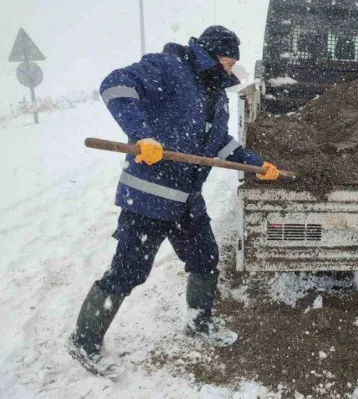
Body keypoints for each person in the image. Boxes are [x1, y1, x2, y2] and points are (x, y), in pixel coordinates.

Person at [66, 25, 280, 376]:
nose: (231, 69)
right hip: (147, 198)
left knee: (206, 260)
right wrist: (142, 134)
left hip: (187, 201)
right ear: (211, 54)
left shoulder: (215, 94)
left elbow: (219, 144)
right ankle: (84, 339)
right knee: (128, 273)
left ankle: (199, 322)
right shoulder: (168, 68)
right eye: (228, 60)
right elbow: (115, 86)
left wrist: (256, 165)